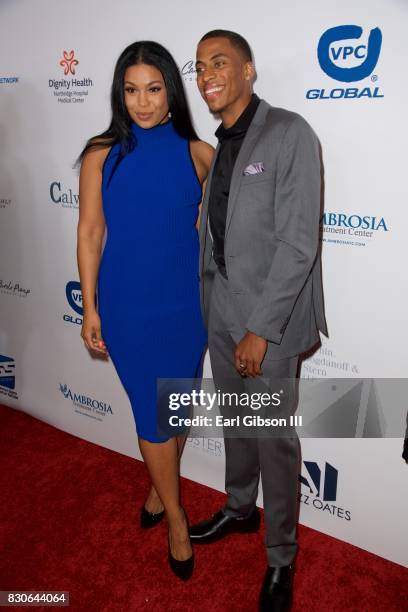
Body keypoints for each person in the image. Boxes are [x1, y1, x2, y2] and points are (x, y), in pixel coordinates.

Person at [189, 30, 327, 610]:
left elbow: (298, 245)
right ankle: (241, 508)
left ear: (248, 70)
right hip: (221, 309)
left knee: (273, 439)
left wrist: (260, 329)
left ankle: (281, 557)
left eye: (219, 62)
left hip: (267, 321)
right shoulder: (222, 143)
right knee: (237, 424)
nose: (206, 74)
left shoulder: (289, 131)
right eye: (199, 67)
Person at [77, 40, 213, 581]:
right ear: (119, 93)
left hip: (186, 306)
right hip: (128, 306)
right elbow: (90, 232)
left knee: (176, 409)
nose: (142, 102)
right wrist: (89, 307)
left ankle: (158, 490)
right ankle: (177, 520)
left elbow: (215, 233)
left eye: (153, 89)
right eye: (131, 90)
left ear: (171, 92)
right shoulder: (100, 153)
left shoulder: (201, 154)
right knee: (154, 418)